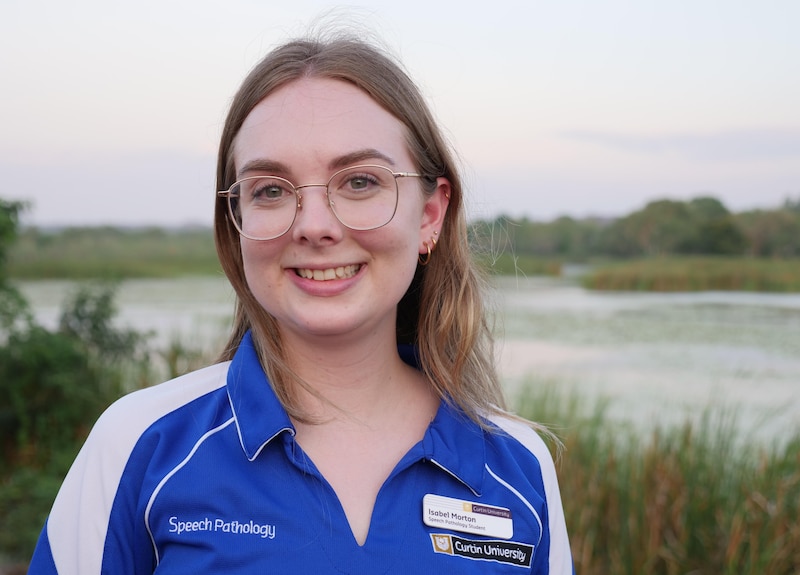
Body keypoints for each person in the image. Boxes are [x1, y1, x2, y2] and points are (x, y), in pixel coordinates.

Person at [28, 33, 574, 574]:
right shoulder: (138, 446)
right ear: (236, 222)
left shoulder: (519, 467)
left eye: (360, 181)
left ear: (430, 214)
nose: (315, 226)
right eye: (270, 189)